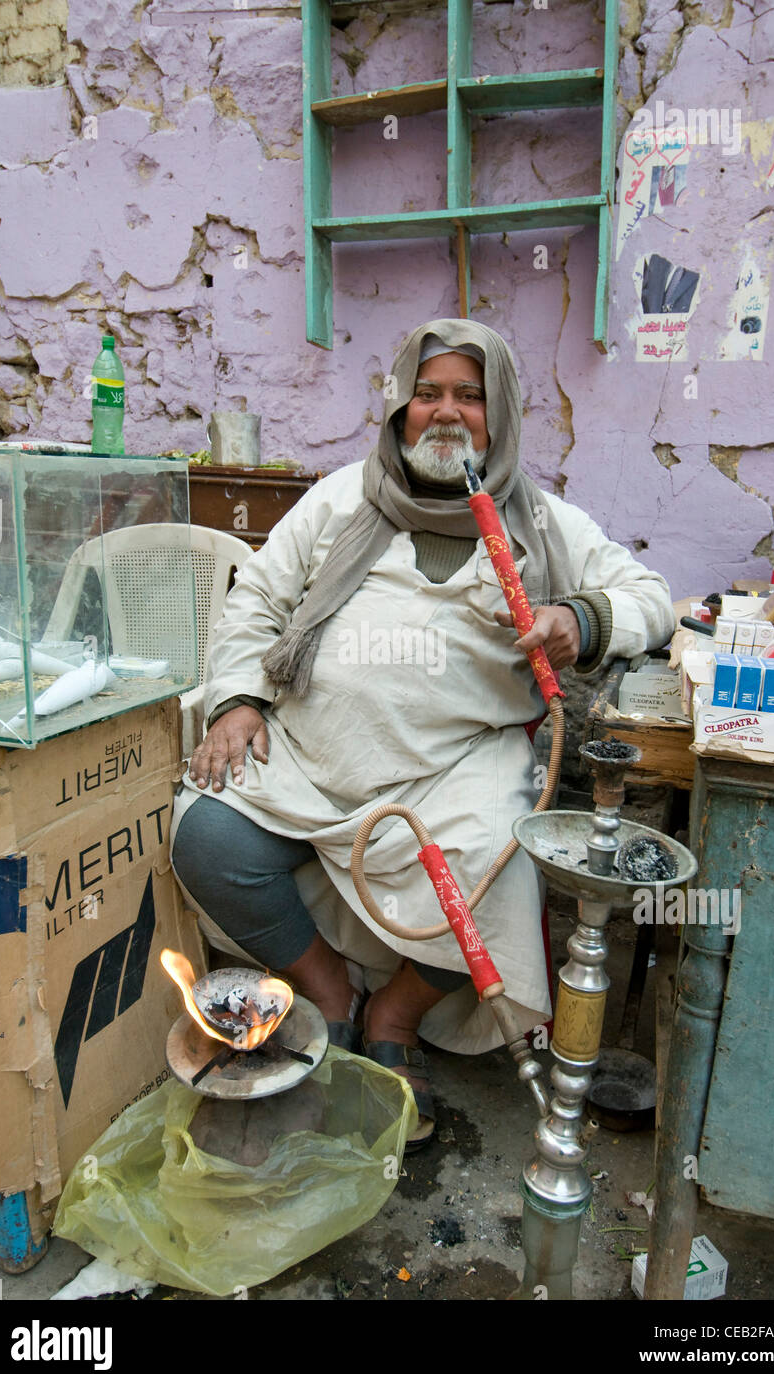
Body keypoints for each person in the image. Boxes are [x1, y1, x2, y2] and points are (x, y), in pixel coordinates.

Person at [171, 318, 675, 1147]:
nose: (445, 413)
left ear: (499, 414)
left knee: (491, 888)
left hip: (451, 768)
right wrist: (236, 701)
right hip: (306, 751)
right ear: (401, 408)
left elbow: (650, 595)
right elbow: (255, 603)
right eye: (427, 393)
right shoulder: (340, 498)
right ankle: (328, 992)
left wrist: (578, 618)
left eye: (468, 396)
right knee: (207, 836)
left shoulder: (545, 526)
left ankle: (395, 1021)